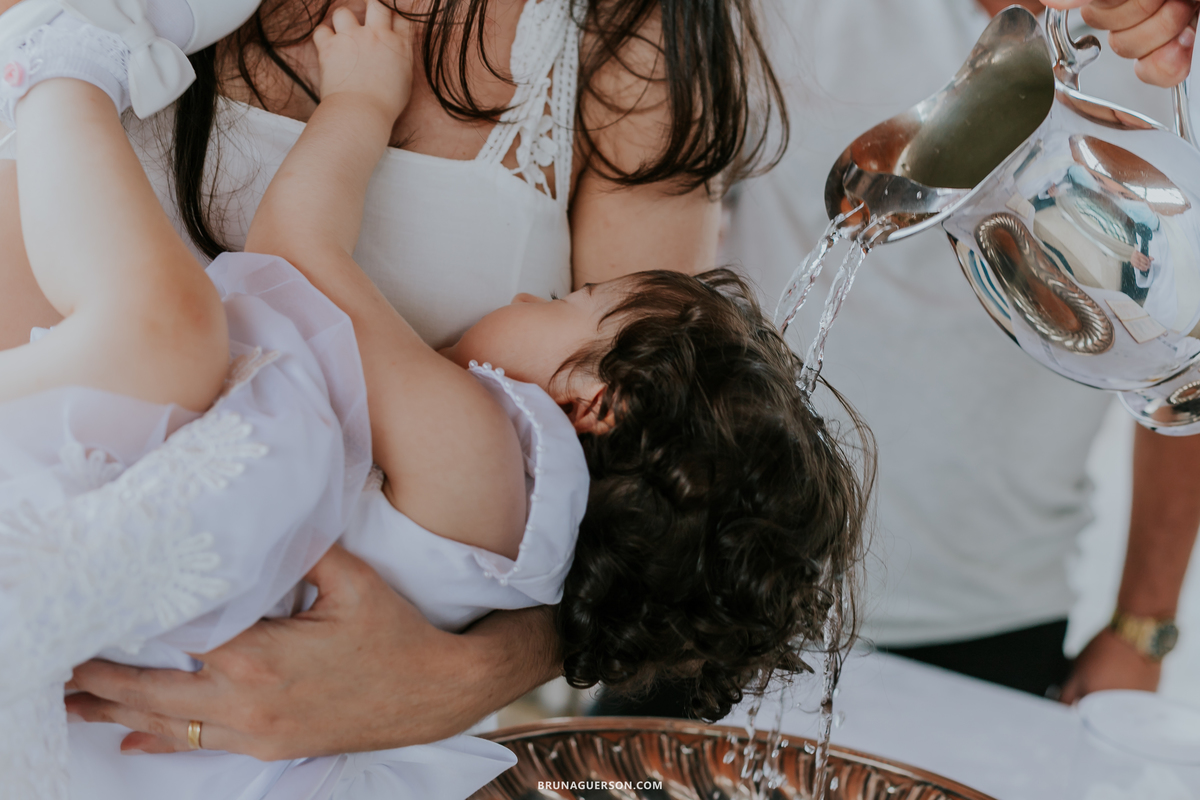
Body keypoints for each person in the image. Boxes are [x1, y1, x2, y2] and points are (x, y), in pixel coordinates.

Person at [1, 2, 869, 796]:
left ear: (594, 407)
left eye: (566, 303)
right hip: (86, 564)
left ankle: (57, 69)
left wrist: (447, 680)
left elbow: (298, 259)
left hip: (148, 645)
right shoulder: (501, 473)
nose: (537, 299)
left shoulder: (489, 450)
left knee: (173, 333)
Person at [721, 0, 1200, 703]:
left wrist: (1143, 627)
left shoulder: (1167, 43)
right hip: (719, 589)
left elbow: (1177, 371)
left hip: (993, 616)